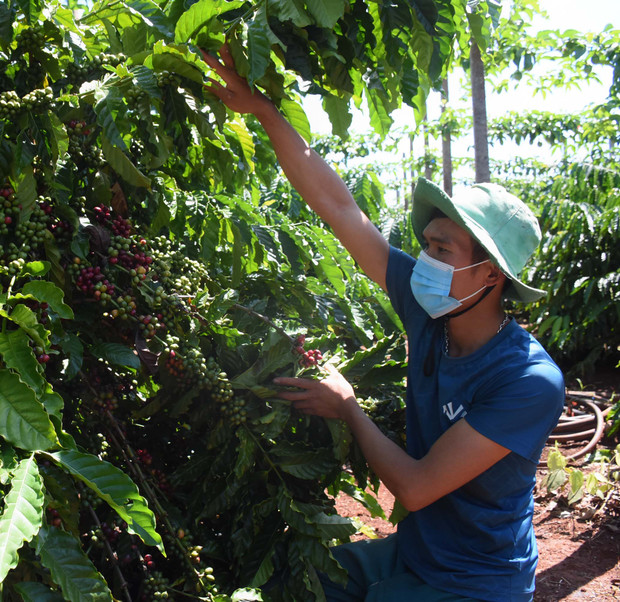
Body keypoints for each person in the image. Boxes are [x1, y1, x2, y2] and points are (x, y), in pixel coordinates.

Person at [202, 45, 565, 602]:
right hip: (418, 552)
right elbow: (342, 210)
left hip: (477, 582)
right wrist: (267, 114)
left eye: (442, 249)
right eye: (426, 245)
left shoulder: (527, 381)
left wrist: (347, 406)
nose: (424, 260)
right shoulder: (431, 312)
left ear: (489, 274)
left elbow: (417, 488)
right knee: (298, 586)